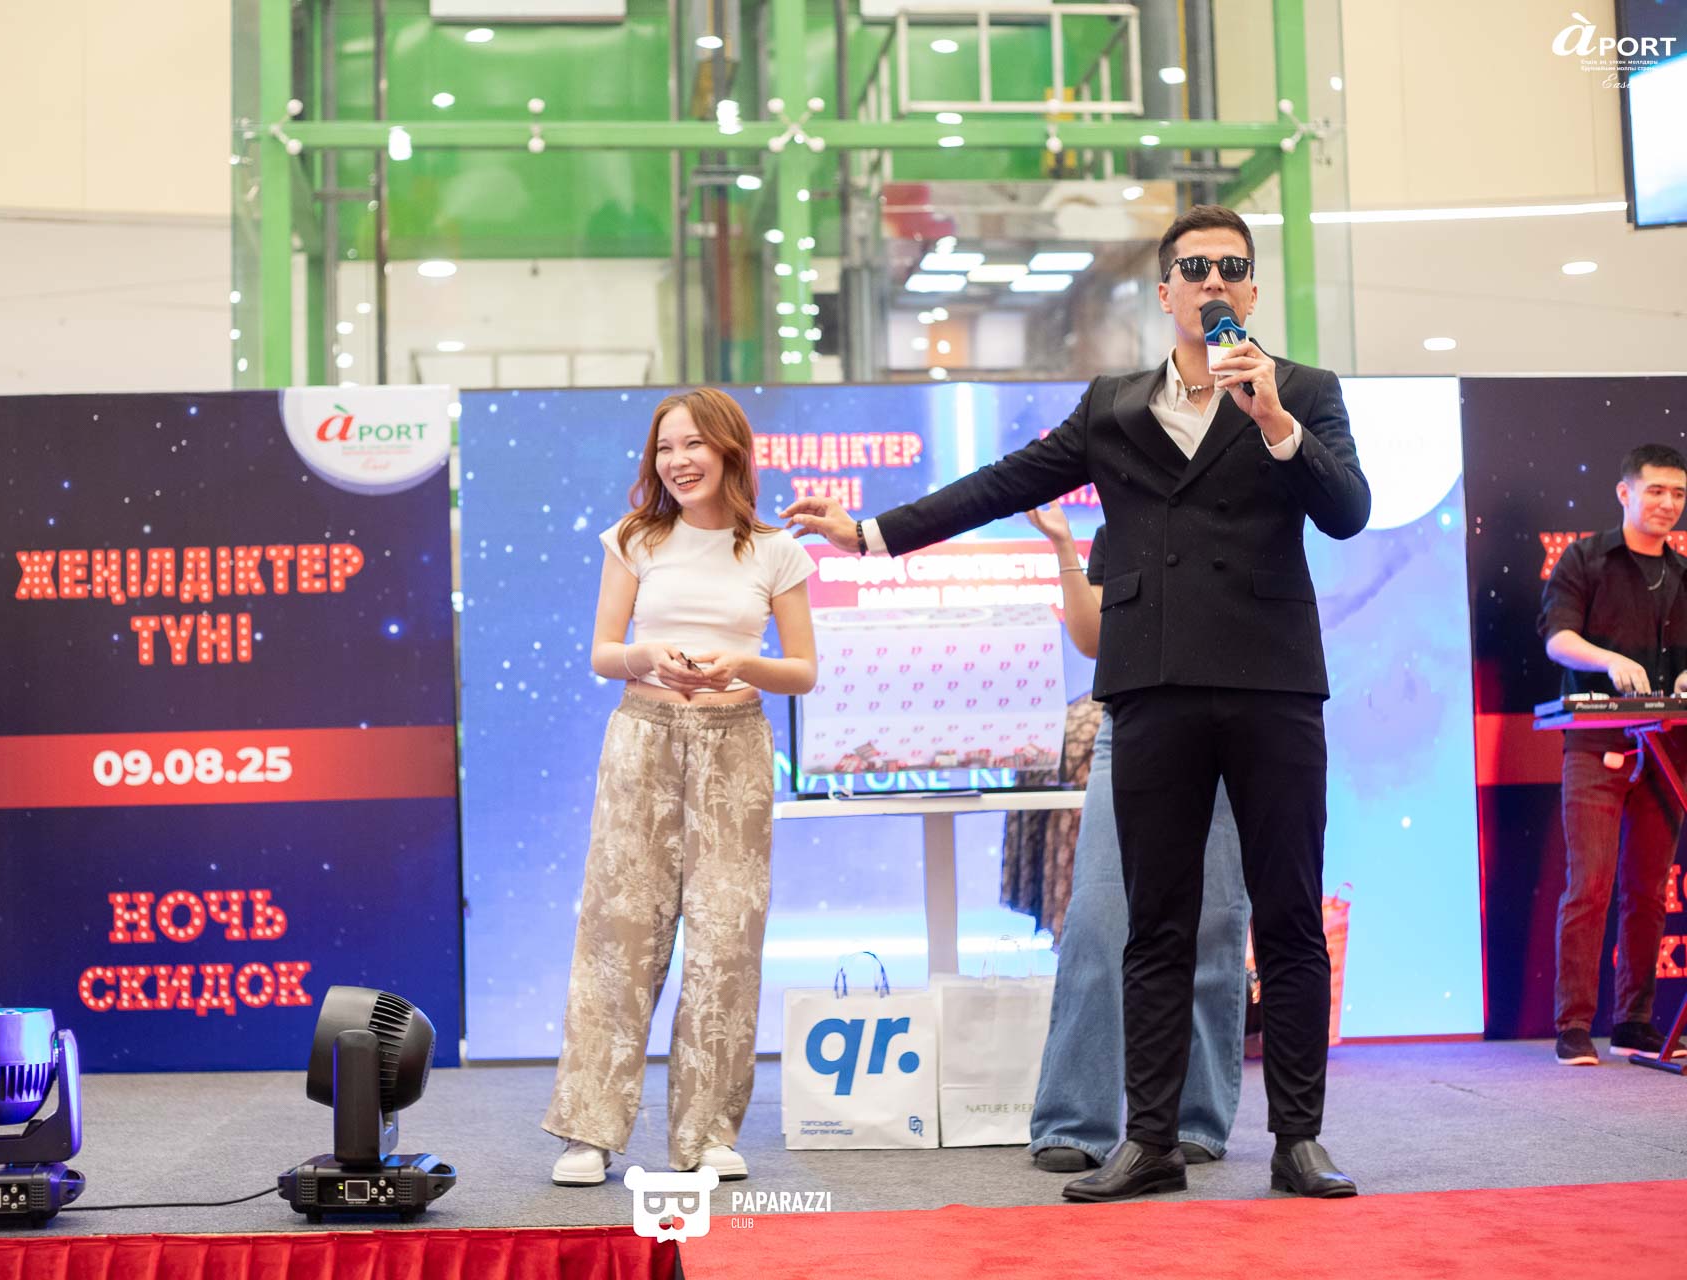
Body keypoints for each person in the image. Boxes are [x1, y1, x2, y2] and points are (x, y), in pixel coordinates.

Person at [784, 204, 1370, 1201]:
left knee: (1285, 915)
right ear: (1166, 291)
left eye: (1232, 267)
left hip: (1272, 681)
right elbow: (1002, 483)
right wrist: (871, 532)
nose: (1214, 283)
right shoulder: (1113, 405)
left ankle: (1299, 1138)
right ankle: (1151, 1142)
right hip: (1152, 685)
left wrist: (1273, 419)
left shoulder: (1304, 391)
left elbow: (1348, 510)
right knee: (1155, 922)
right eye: (1195, 269)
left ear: (1253, 287)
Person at [543, 387, 818, 1185]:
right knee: (620, 932)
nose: (678, 460)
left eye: (694, 443)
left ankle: (707, 1135)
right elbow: (604, 651)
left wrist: (744, 664)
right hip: (644, 738)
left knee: (727, 937)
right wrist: (646, 655)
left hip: (737, 747)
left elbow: (802, 670)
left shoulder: (774, 550)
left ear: (730, 450)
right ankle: (589, 1132)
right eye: (665, 447)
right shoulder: (635, 537)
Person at [1024, 506, 1250, 1173]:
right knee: (1098, 916)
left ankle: (1195, 1116)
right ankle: (1075, 1118)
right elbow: (1093, 639)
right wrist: (1064, 546)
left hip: (1233, 720)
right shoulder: (1124, 522)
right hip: (1132, 722)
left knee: (1213, 920)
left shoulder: (1248, 509)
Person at [1538, 443, 1687, 1066]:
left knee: (1649, 889)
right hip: (1597, 742)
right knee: (1590, 884)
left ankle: (1634, 1021)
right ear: (1625, 493)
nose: (1668, 504)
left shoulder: (1682, 573)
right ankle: (1574, 1024)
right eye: (1656, 491)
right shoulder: (1586, 558)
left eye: (1678, 494)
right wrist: (1609, 660)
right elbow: (1557, 639)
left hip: (1668, 746)